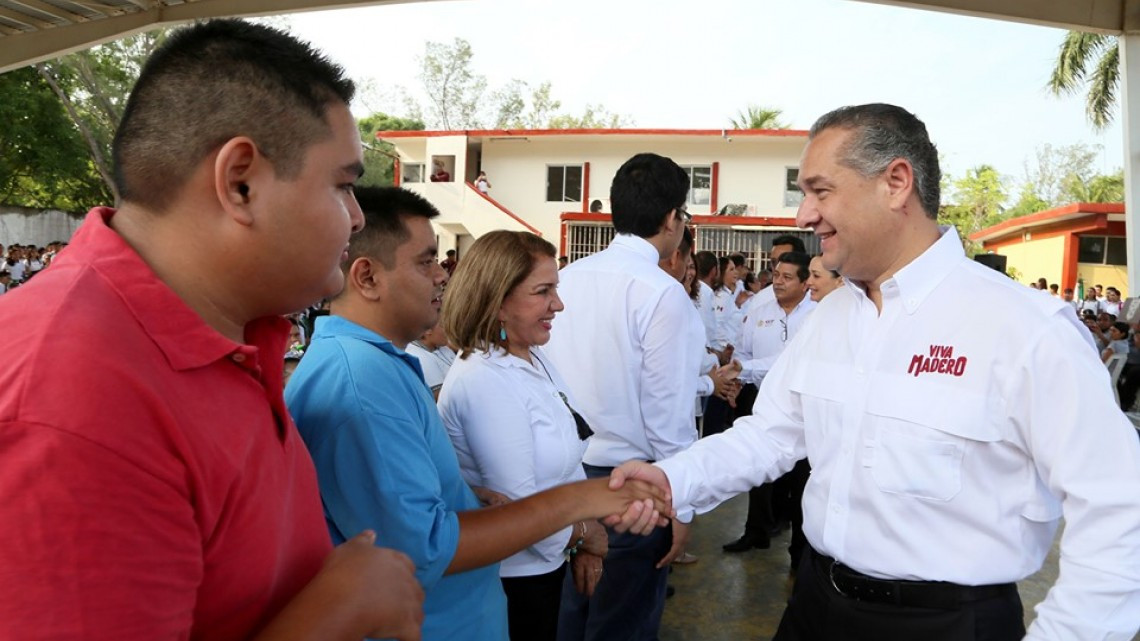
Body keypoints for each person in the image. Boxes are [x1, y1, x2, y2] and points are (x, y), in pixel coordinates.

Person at [608, 103, 1140, 640]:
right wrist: (675, 478)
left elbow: (1120, 511)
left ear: (896, 182)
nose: (803, 216)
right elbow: (769, 436)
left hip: (946, 625)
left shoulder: (1025, 329)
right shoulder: (831, 318)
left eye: (820, 190)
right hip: (816, 605)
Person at [0, 19, 426, 641]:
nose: (358, 219)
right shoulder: (77, 396)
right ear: (240, 183)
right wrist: (335, 612)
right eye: (342, 185)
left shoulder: (227, 333)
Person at [286, 187, 667, 641]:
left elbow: (393, 500)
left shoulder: (380, 365)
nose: (442, 278)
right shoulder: (362, 383)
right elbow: (421, 547)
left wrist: (464, 496)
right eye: (426, 262)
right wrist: (584, 509)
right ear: (367, 278)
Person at [545, 153, 701, 641]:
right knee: (624, 622)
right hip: (630, 486)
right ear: (672, 218)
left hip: (564, 473)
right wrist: (682, 504)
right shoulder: (661, 292)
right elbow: (667, 414)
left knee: (570, 612)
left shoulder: (568, 278)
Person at [436, 230, 605, 640]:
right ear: (497, 303)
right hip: (514, 580)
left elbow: (566, 458)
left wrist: (583, 530)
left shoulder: (530, 357)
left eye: (556, 288)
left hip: (547, 563)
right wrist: (585, 535)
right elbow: (519, 507)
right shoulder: (485, 381)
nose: (558, 304)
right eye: (543, 291)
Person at [722, 251, 815, 554]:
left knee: (801, 478)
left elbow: (791, 363)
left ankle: (799, 550)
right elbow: (745, 353)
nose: (778, 282)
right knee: (757, 468)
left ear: (804, 283)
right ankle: (756, 531)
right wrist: (739, 379)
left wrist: (743, 369)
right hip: (762, 397)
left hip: (803, 405)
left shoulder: (816, 315)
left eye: (787, 277)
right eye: (776, 275)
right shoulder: (760, 309)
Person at [406, 318, 456, 400]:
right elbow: (438, 396)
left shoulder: (442, 347)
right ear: (427, 331)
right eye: (442, 326)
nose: (448, 330)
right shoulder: (418, 356)